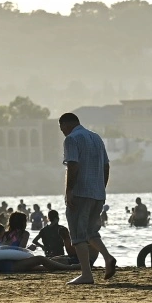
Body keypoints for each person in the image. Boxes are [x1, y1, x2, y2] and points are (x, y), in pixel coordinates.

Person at [59, 112, 117, 284]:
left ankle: (86, 274)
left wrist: (69, 191)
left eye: (61, 127)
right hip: (97, 193)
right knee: (91, 232)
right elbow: (106, 166)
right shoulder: (96, 138)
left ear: (65, 125)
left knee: (77, 235)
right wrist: (101, 188)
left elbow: (73, 165)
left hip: (80, 192)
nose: (62, 131)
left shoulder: (71, 139)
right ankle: (107, 257)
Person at [0, 212, 80, 273]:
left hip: (1, 266)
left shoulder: (5, 234)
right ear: (22, 223)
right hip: (14, 266)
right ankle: (70, 268)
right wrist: (30, 249)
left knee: (48, 263)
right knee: (41, 259)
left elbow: (6, 249)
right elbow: (20, 252)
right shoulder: (24, 234)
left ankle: (71, 265)